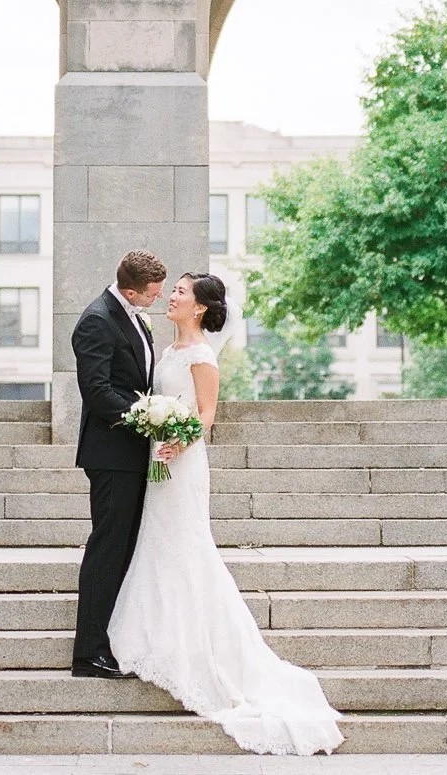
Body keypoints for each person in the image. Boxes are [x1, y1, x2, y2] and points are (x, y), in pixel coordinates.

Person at [108, 272, 345, 756]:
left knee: (186, 547)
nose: (171, 296)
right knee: (157, 543)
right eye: (171, 289)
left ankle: (203, 651)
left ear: (198, 308)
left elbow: (208, 415)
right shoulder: (165, 349)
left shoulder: (201, 356)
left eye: (179, 292)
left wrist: (178, 439)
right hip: (158, 455)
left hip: (182, 460)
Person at [69, 249, 166, 680]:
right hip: (111, 454)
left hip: (131, 455)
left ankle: (110, 638)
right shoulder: (97, 320)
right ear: (130, 290)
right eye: (153, 293)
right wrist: (145, 420)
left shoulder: (128, 315)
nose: (159, 299)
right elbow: (97, 391)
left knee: (122, 548)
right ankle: (88, 652)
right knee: (106, 550)